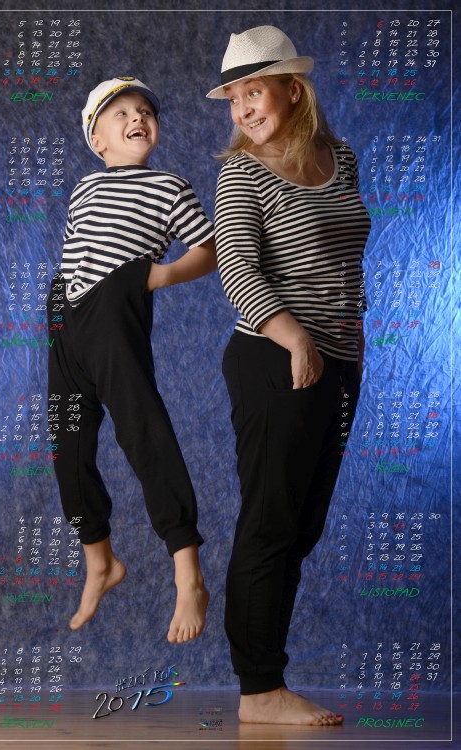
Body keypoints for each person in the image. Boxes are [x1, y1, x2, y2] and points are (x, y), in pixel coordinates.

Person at [207, 26, 371, 724]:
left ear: (292, 90)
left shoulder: (341, 157)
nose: (243, 108)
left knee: (303, 527)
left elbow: (344, 258)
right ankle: (259, 690)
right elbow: (237, 270)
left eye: (254, 91)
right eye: (234, 97)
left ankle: (267, 681)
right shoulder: (242, 173)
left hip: (340, 361)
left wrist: (345, 344)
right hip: (275, 357)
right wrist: (297, 337)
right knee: (271, 522)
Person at [47, 76, 216, 641]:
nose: (137, 118)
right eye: (120, 113)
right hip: (67, 316)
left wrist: (157, 276)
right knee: (67, 448)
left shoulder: (169, 187)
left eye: (145, 111)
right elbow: (77, 251)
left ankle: (188, 572)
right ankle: (100, 561)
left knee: (144, 435)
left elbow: (208, 249)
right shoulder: (84, 188)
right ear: (97, 140)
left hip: (117, 308)